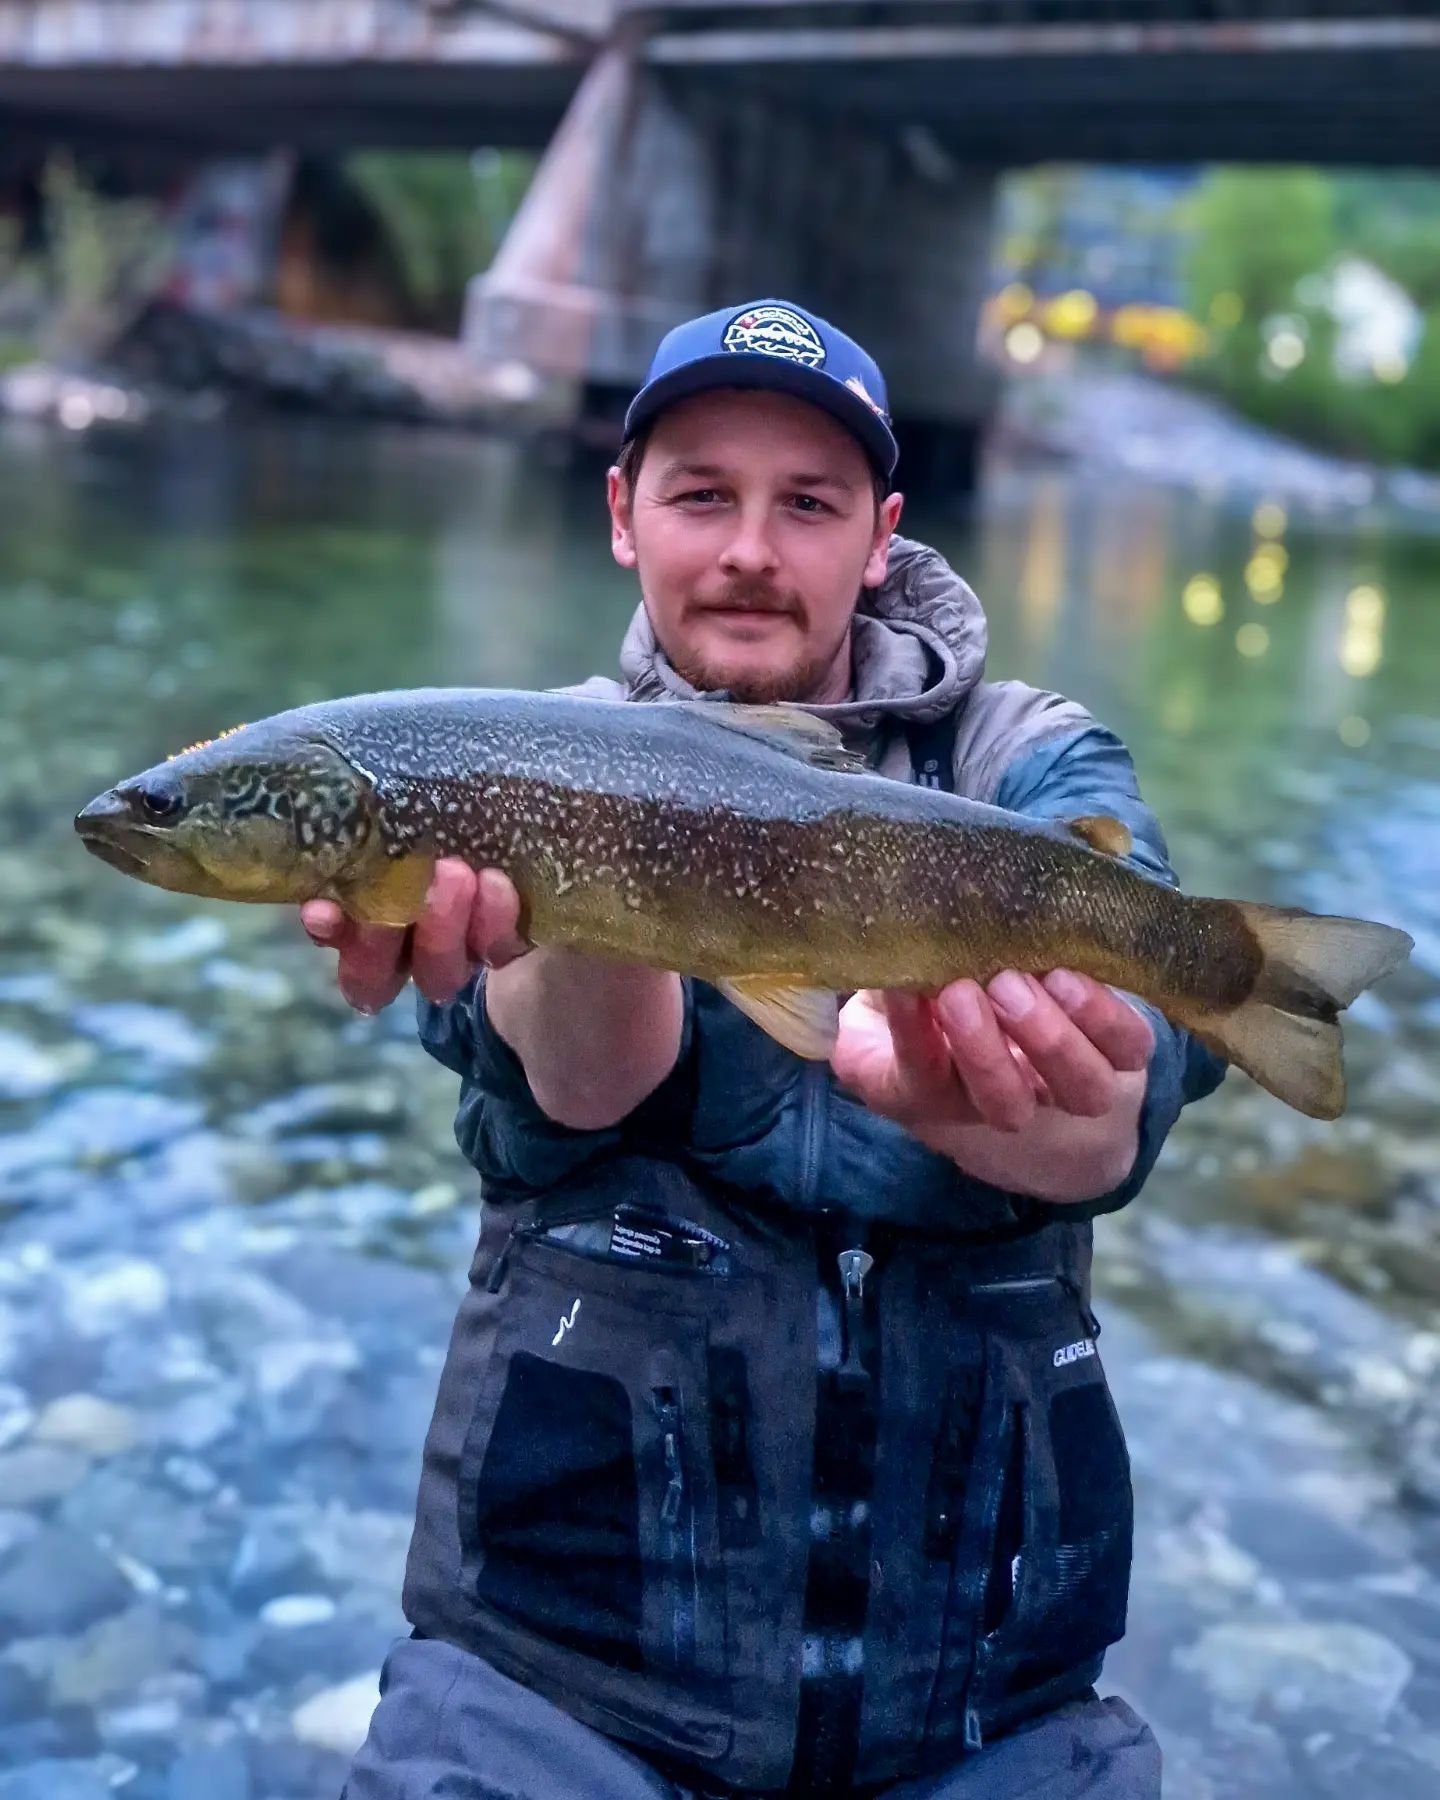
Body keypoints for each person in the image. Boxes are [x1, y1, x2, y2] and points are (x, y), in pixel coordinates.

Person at [304, 299, 1225, 1799]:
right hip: (558, 1672)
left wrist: (1060, 1108)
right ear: (621, 514)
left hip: (995, 1698)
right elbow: (578, 1092)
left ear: (882, 534)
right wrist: (588, 876)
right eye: (700, 495)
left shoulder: (1031, 761)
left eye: (807, 503)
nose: (748, 549)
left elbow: (1139, 1086)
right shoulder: (505, 761)